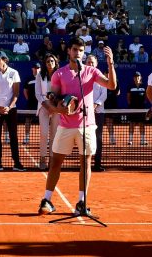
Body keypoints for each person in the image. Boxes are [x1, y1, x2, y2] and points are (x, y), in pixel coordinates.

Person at [38, 37, 117, 216]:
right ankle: (47, 199)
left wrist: (111, 63)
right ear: (69, 51)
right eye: (75, 50)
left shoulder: (91, 71)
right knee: (56, 161)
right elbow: (52, 98)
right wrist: (61, 109)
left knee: (85, 162)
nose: (78, 53)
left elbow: (112, 85)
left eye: (81, 50)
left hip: (87, 126)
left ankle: (81, 202)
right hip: (65, 126)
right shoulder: (59, 74)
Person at [0, 51, 26, 172]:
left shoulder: (14, 73)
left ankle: (17, 163)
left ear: (5, 59)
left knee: (14, 137)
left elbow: (16, 93)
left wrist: (9, 107)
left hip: (11, 110)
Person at [35, 53, 61, 171]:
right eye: (47, 62)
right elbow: (38, 93)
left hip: (56, 108)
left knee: (55, 135)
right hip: (43, 106)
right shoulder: (40, 75)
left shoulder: (60, 75)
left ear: (55, 63)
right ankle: (42, 159)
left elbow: (62, 91)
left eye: (52, 61)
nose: (50, 63)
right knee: (44, 133)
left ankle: (52, 159)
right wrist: (47, 105)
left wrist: (55, 105)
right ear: (45, 64)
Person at [86, 55, 108, 172]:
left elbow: (104, 94)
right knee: (84, 138)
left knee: (98, 138)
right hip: (84, 114)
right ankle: (85, 164)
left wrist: (95, 105)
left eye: (92, 63)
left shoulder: (102, 78)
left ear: (96, 64)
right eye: (88, 62)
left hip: (98, 113)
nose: (90, 64)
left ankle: (97, 164)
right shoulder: (81, 77)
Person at [127, 71, 147, 146]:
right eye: (135, 77)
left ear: (140, 77)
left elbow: (146, 97)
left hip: (141, 109)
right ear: (133, 78)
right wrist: (131, 106)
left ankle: (142, 139)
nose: (137, 78)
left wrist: (143, 104)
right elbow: (128, 97)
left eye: (138, 77)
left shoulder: (144, 86)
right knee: (132, 124)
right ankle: (130, 140)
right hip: (132, 108)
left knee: (142, 124)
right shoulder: (130, 86)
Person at [23, 62, 41, 145]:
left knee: (43, 120)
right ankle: (26, 137)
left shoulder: (43, 78)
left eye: (38, 68)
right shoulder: (28, 79)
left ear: (40, 69)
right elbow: (25, 90)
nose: (36, 69)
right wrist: (28, 99)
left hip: (41, 103)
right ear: (32, 69)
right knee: (28, 120)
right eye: (35, 68)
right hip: (31, 103)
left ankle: (45, 138)